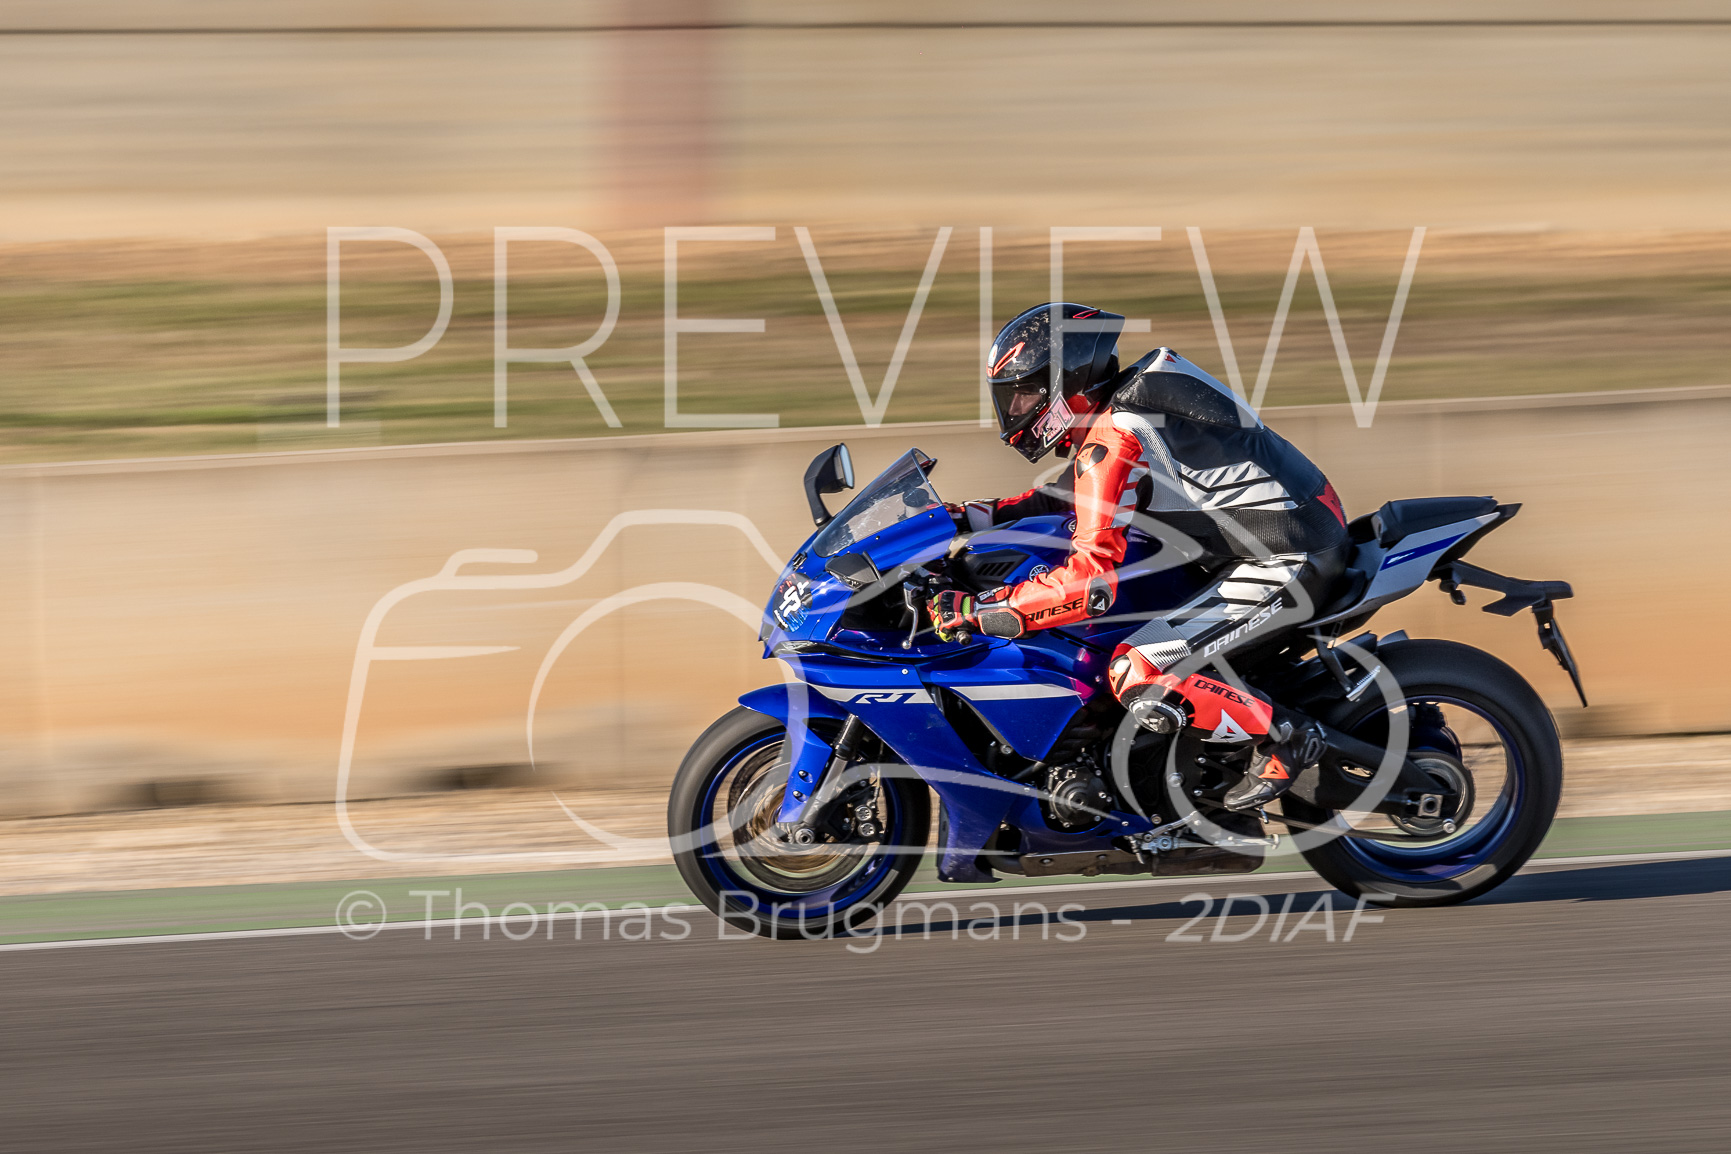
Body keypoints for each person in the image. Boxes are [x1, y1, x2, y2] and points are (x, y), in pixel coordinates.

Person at [929, 302, 1349, 811]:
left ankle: (1286, 737)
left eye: (1026, 393)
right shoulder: (1122, 411)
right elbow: (1070, 496)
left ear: (1067, 382)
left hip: (1286, 557)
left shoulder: (1115, 436)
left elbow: (1091, 584)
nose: (1015, 409)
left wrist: (985, 609)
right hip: (1268, 539)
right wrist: (961, 518)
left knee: (1138, 669)